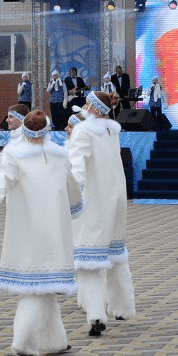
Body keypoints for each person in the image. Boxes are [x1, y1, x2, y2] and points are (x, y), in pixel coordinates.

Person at [0, 109, 81, 356]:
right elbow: (73, 190)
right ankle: (24, 341)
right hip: (53, 229)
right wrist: (76, 206)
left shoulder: (13, 154)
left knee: (45, 285)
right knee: (39, 287)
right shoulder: (60, 156)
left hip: (28, 229)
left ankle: (55, 340)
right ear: (46, 130)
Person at [68, 90, 136, 334]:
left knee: (88, 260)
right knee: (116, 255)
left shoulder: (84, 131)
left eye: (86, 103)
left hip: (95, 201)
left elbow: (77, 166)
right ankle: (123, 307)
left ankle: (96, 314)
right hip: (115, 199)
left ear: (93, 107)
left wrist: (72, 194)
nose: (83, 106)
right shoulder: (110, 130)